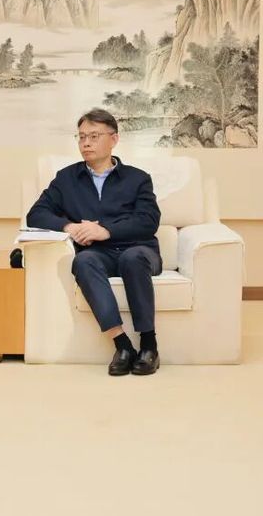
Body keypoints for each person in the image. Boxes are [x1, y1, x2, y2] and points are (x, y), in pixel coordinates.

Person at [26, 108, 162, 376]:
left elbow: (148, 221)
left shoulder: (138, 178)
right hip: (98, 254)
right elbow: (36, 214)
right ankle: (122, 345)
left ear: (114, 139)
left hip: (140, 251)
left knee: (132, 259)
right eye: (81, 137)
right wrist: (70, 227)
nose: (86, 143)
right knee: (83, 261)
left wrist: (106, 231)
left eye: (94, 136)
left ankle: (149, 345)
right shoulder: (67, 178)